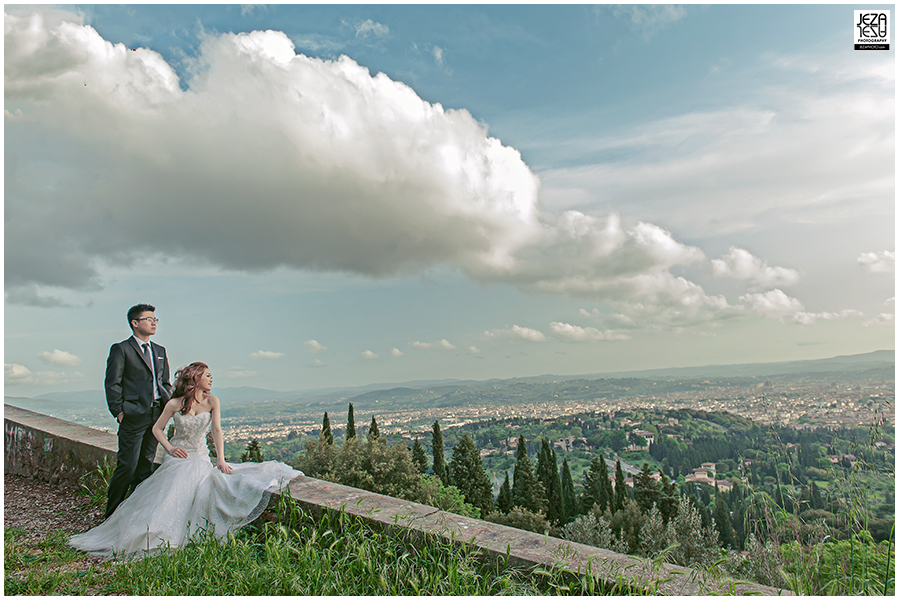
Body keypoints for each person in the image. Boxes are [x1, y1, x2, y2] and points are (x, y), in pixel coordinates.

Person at [70, 362, 302, 558]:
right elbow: (157, 429)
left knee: (201, 486)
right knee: (172, 489)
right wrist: (170, 448)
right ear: (196, 378)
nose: (212, 380)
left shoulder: (213, 402)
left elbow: (217, 431)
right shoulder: (174, 404)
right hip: (179, 456)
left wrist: (220, 459)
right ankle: (152, 532)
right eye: (208, 376)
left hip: (200, 457)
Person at [104, 303, 173, 519]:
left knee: (145, 467)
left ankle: (134, 514)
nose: (154, 323)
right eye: (148, 319)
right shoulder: (122, 349)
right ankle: (111, 514)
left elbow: (165, 382)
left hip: (156, 416)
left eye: (155, 319)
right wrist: (119, 411)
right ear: (135, 323)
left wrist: (167, 407)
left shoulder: (160, 351)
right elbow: (112, 383)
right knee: (127, 466)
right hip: (133, 415)